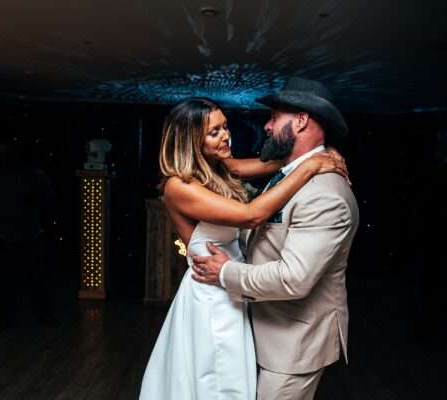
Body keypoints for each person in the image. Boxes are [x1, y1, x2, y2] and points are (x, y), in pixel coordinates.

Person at [139, 96, 348, 400]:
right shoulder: (178, 186)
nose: (226, 135)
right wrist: (312, 166)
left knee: (233, 377)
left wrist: (312, 155)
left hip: (232, 287)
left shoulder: (218, 168)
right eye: (214, 132)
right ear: (190, 141)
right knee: (218, 382)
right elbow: (253, 216)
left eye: (225, 127)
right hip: (211, 295)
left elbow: (267, 164)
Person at [192, 77, 359, 400]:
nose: (266, 126)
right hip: (269, 330)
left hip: (294, 345)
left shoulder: (326, 194)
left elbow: (294, 278)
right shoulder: (289, 173)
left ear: (301, 121)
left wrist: (225, 272)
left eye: (274, 117)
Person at [0, 140, 56, 330]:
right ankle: (19, 318)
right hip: (10, 236)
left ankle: (25, 317)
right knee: (13, 281)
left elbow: (48, 200)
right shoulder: (0, 178)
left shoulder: (27, 177)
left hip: (24, 235)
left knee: (27, 280)